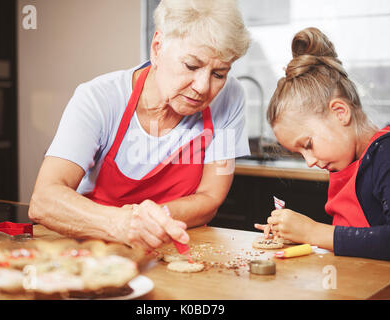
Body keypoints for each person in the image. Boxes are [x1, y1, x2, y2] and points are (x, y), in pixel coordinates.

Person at [29, 0, 251, 251]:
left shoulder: (230, 97)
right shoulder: (98, 99)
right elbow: (44, 200)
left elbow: (210, 198)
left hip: (170, 249)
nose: (203, 87)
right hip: (91, 250)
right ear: (157, 48)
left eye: (219, 74)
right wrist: (120, 223)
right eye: (191, 65)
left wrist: (150, 218)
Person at [254, 27, 390, 262]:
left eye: (308, 144)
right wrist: (297, 235)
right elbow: (357, 239)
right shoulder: (346, 162)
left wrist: (314, 232)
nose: (310, 161)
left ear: (339, 112)